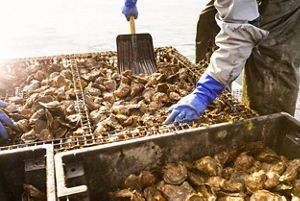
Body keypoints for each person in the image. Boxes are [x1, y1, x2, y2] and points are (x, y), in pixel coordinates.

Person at [122, 0, 300, 124]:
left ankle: (268, 125)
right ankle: (219, 95)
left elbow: (237, 37)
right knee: (208, 23)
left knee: (271, 54)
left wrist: (204, 92)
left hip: (284, 4)